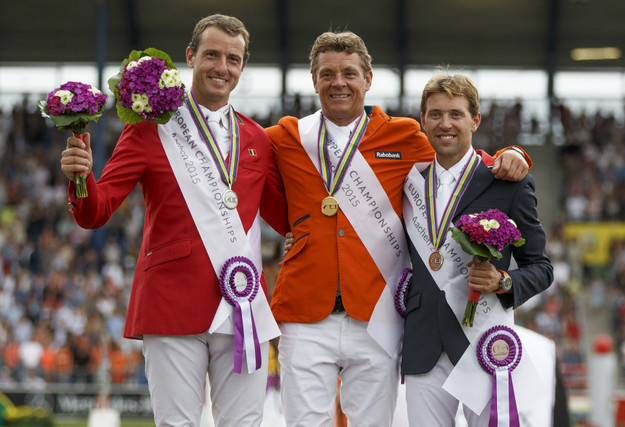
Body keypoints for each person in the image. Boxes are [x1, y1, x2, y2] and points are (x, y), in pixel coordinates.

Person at [267, 31, 531, 426]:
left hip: (375, 315)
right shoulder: (286, 136)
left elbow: (461, 164)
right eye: (328, 73)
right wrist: (293, 225)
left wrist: (512, 155)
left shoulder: (404, 136)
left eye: (349, 73)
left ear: (368, 79)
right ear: (314, 80)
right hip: (304, 315)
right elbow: (242, 164)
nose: (339, 82)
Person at [60, 14, 288, 426]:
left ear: (242, 67)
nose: (223, 67)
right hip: (171, 303)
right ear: (190, 57)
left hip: (244, 308)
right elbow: (97, 211)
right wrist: (81, 176)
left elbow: (288, 218)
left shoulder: (257, 138)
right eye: (212, 55)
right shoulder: (149, 128)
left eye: (233, 59)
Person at [401, 72, 553, 426]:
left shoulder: (508, 182)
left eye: (455, 114)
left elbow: (541, 268)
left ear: (475, 119)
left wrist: (503, 281)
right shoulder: (406, 182)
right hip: (424, 343)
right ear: (423, 120)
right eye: (435, 114)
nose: (445, 124)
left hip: (484, 342)